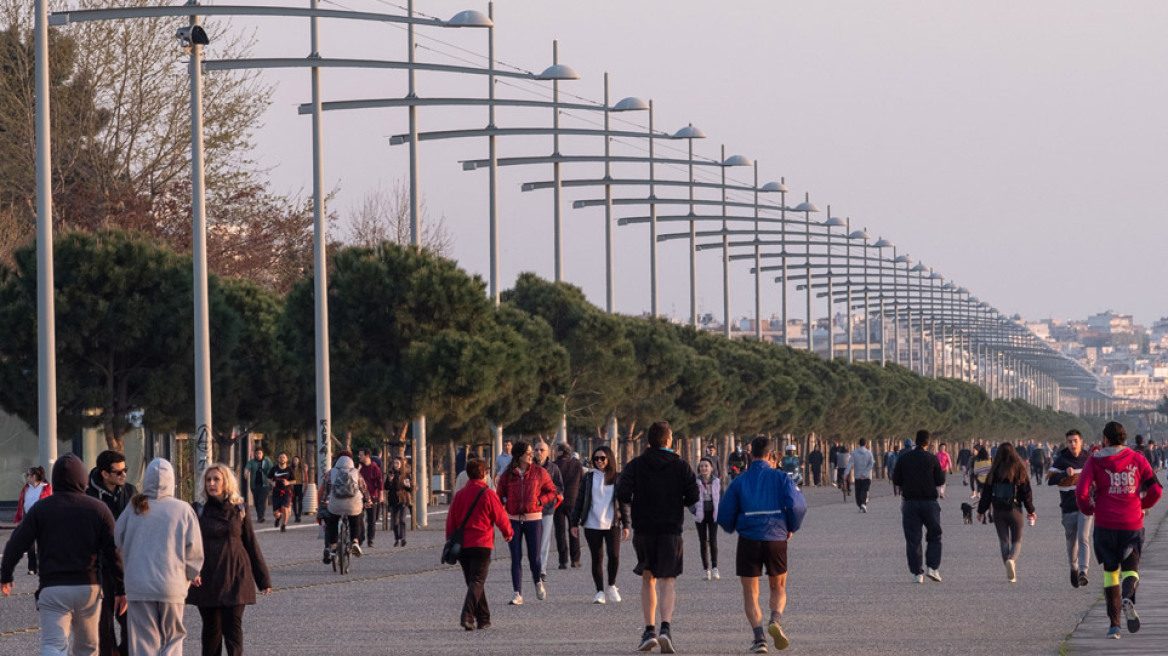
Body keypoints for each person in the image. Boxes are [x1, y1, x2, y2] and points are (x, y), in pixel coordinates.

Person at [2, 454, 125, 656]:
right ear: (83, 479)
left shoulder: (41, 509)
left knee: (53, 644)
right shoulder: (98, 509)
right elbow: (114, 551)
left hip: (53, 587)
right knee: (87, 647)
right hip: (89, 586)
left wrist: (6, 574)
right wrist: (121, 587)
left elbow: (16, 542)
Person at [718, 436, 807, 654]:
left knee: (750, 593)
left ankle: (759, 638)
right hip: (776, 537)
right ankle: (775, 619)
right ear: (771, 455)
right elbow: (797, 506)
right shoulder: (781, 478)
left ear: (750, 454)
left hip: (749, 538)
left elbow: (724, 513)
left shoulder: (739, 481)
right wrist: (791, 527)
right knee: (778, 586)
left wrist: (734, 526)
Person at [616, 421, 699, 653]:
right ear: (669, 440)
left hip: (644, 528)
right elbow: (693, 496)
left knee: (648, 577)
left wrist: (639, 501)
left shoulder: (636, 465)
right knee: (667, 580)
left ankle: (649, 629)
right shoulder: (680, 466)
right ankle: (666, 628)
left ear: (648, 441)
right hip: (671, 528)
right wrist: (677, 501)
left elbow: (622, 492)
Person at [1076, 421, 1163, 639]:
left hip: (1105, 524)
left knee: (1110, 572)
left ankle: (1114, 625)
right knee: (1131, 567)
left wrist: (1088, 508)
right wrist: (1142, 504)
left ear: (1105, 439)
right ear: (1124, 439)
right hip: (1131, 523)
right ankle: (1128, 595)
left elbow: (1081, 491)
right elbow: (1156, 489)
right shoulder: (1138, 459)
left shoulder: (1094, 461)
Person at [114, 458, 203, 656]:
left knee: (143, 640)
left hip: (138, 586)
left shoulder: (134, 507)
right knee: (173, 638)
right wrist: (189, 576)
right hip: (172, 586)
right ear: (172, 480)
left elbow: (117, 539)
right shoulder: (183, 510)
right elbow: (194, 551)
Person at [188, 463, 271, 656]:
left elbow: (250, 542)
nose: (211, 483)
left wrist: (263, 578)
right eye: (208, 480)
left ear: (227, 482)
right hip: (208, 577)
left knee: (233, 630)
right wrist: (191, 570)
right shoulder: (197, 510)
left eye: (216, 479)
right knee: (211, 633)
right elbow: (188, 544)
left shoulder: (239, 509)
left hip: (236, 575)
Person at [446, 459, 513, 631]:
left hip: (462, 546)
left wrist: (450, 541)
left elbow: (451, 521)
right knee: (477, 581)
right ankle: (467, 615)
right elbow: (500, 516)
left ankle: (483, 618)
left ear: (468, 474)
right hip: (482, 543)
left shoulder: (460, 495)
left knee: (473, 582)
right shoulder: (488, 494)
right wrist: (508, 533)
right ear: (483, 474)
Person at [88, 449, 139, 656]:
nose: (123, 475)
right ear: (104, 474)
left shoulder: (131, 492)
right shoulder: (89, 497)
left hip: (128, 565)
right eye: (118, 472)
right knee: (103, 625)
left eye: (125, 470)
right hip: (101, 567)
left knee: (132, 624)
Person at [496, 441, 559, 605]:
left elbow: (552, 491)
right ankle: (517, 593)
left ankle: (538, 581)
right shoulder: (508, 474)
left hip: (534, 519)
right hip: (513, 520)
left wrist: (540, 500)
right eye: (528, 453)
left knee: (535, 557)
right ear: (519, 456)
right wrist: (504, 504)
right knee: (515, 557)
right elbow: (499, 494)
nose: (532, 455)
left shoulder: (540, 472)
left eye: (532, 452)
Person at [570, 446, 631, 604]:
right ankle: (599, 591)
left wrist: (626, 523)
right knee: (597, 557)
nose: (599, 461)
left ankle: (611, 585)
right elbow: (580, 500)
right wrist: (574, 522)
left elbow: (622, 502)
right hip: (592, 523)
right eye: (596, 458)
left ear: (609, 459)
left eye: (602, 458)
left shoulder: (616, 478)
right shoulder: (588, 477)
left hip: (612, 523)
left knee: (614, 555)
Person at [892, 429, 945, 583]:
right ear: (928, 443)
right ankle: (932, 567)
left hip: (910, 502)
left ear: (915, 441)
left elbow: (896, 480)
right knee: (935, 535)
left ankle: (917, 573)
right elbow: (940, 480)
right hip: (929, 502)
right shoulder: (932, 459)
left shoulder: (904, 459)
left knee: (913, 538)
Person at [976, 444, 1035, 583]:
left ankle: (1009, 571)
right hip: (1015, 510)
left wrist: (981, 511)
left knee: (1004, 540)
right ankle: (1011, 560)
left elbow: (986, 494)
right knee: (1017, 540)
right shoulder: (1020, 469)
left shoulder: (994, 470)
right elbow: (1026, 493)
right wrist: (1031, 510)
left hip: (998, 511)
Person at [1048, 429, 1092, 588]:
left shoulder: (1088, 459)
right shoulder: (1061, 460)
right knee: (1071, 540)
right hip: (1068, 507)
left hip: (1085, 506)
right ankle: (1073, 566)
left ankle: (1083, 571)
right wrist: (1064, 475)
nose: (1073, 444)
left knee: (1083, 537)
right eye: (1069, 441)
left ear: (1081, 441)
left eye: (1075, 440)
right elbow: (1050, 481)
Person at [320, 452, 369, 564]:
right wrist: (368, 501)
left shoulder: (331, 473)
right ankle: (355, 541)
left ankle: (332, 547)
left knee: (332, 521)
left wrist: (323, 502)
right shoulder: (356, 473)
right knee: (355, 519)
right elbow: (364, 489)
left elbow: (325, 491)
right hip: (353, 505)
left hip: (335, 504)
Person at [532, 440, 564, 585]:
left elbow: (560, 487)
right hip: (531, 509)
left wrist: (548, 494)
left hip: (547, 508)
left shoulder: (553, 468)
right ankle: (535, 565)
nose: (539, 452)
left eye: (542, 450)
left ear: (548, 452)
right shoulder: (529, 467)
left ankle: (542, 569)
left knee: (545, 539)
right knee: (533, 540)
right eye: (537, 449)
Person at [14, 465, 51, 575]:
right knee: (30, 544)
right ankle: (32, 567)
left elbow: (49, 504)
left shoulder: (46, 488)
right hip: (28, 517)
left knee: (42, 543)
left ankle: (42, 566)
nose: (27, 477)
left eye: (28, 475)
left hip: (41, 518)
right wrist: (18, 518)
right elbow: (21, 504)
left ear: (34, 476)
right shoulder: (26, 488)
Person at [554, 443, 584, 570]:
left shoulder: (554, 465)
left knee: (560, 532)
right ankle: (575, 559)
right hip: (573, 501)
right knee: (574, 530)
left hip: (558, 501)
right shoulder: (577, 465)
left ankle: (563, 560)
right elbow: (583, 481)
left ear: (560, 452)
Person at [691, 457, 721, 581]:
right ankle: (705, 569)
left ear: (711, 468)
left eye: (706, 466)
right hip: (700, 514)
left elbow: (722, 497)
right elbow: (689, 498)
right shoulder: (695, 482)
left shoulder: (717, 482)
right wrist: (693, 510)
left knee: (713, 540)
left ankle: (715, 568)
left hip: (713, 514)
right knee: (703, 541)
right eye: (702, 466)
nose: (704, 468)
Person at [357, 449, 384, 548]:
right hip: (360, 496)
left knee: (372, 519)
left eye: (361, 455)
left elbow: (380, 482)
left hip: (372, 495)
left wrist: (381, 495)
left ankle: (370, 539)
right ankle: (360, 536)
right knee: (359, 517)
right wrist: (357, 470)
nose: (359, 457)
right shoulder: (359, 468)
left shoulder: (375, 468)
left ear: (367, 456)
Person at [385, 456, 413, 547]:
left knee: (402, 520)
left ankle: (403, 538)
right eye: (394, 463)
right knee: (395, 522)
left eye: (397, 463)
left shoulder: (405, 474)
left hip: (403, 499)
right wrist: (390, 481)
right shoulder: (390, 473)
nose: (396, 465)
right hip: (393, 500)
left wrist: (409, 486)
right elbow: (386, 487)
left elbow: (410, 488)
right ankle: (397, 538)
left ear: (401, 464)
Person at [242, 448, 272, 524]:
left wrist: (269, 474)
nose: (258, 455)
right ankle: (259, 515)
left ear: (262, 454)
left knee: (262, 500)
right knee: (256, 501)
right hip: (254, 485)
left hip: (265, 484)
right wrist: (246, 472)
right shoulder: (252, 462)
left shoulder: (267, 461)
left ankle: (261, 517)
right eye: (257, 453)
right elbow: (247, 467)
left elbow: (271, 469)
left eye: (260, 453)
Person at [266, 453, 294, 533]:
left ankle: (283, 525)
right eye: (280, 457)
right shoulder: (274, 469)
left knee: (285, 508)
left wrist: (288, 483)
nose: (282, 459)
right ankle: (278, 518)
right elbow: (268, 478)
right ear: (278, 459)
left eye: (284, 457)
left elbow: (294, 481)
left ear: (286, 459)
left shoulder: (289, 469)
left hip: (286, 492)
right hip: (276, 492)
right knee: (276, 513)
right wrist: (272, 483)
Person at [846, 439, 875, 513]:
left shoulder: (854, 453)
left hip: (858, 476)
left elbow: (850, 463)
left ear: (859, 444)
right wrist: (865, 473)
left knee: (858, 492)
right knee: (864, 490)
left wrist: (846, 473)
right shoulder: (869, 453)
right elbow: (871, 464)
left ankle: (861, 504)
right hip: (867, 476)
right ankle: (863, 504)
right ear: (865, 444)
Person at [290, 456, 308, 523]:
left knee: (300, 502)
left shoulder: (302, 469)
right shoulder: (291, 469)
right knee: (294, 502)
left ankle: (299, 515)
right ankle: (296, 515)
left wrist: (305, 487)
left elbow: (306, 478)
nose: (295, 461)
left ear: (299, 461)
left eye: (296, 460)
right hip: (293, 485)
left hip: (300, 485)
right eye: (294, 460)